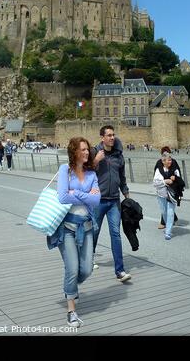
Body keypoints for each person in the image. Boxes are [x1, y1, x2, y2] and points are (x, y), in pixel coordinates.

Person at [47, 136, 100, 328]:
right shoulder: (65, 170)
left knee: (85, 270)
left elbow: (96, 201)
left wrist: (74, 193)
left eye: (88, 149)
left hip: (86, 227)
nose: (87, 152)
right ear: (74, 152)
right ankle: (71, 310)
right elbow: (62, 197)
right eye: (83, 149)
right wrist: (85, 196)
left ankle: (70, 288)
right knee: (72, 268)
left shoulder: (92, 174)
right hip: (67, 228)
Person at [91, 125, 132, 282]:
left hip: (114, 200)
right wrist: (96, 160)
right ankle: (89, 258)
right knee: (94, 231)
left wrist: (126, 194)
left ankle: (120, 271)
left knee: (116, 234)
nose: (112, 137)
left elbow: (122, 177)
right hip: (98, 201)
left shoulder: (118, 155)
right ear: (102, 138)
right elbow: (87, 172)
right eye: (108, 135)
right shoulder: (95, 152)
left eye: (113, 135)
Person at [153, 150, 184, 240]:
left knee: (170, 213)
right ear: (163, 161)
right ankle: (167, 225)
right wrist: (165, 181)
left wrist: (176, 179)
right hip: (161, 194)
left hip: (172, 195)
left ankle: (168, 232)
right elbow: (155, 183)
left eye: (170, 160)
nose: (170, 162)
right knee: (164, 212)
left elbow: (180, 182)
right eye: (168, 160)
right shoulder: (159, 170)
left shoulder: (175, 170)